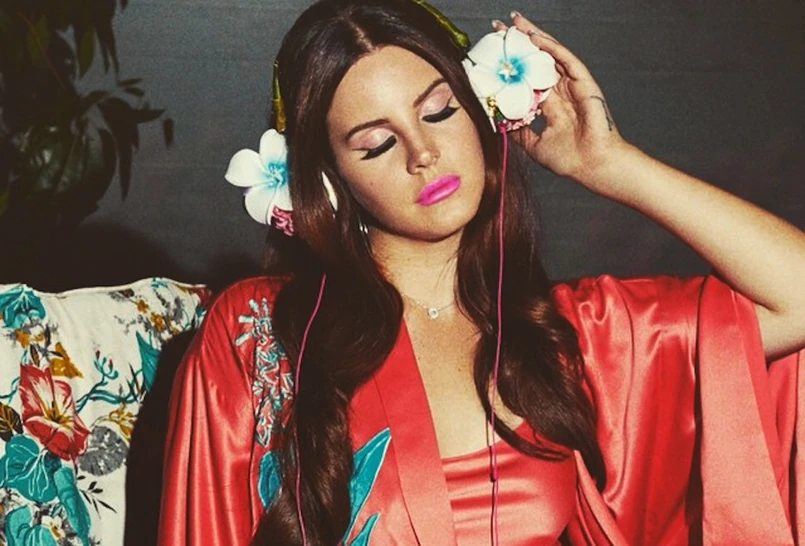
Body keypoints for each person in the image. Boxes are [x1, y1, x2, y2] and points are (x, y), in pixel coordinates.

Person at [157, 0, 805, 544]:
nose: (422, 152)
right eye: (376, 143)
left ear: (480, 110)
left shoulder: (576, 340)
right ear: (329, 179)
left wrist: (610, 165)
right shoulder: (260, 332)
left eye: (439, 111)